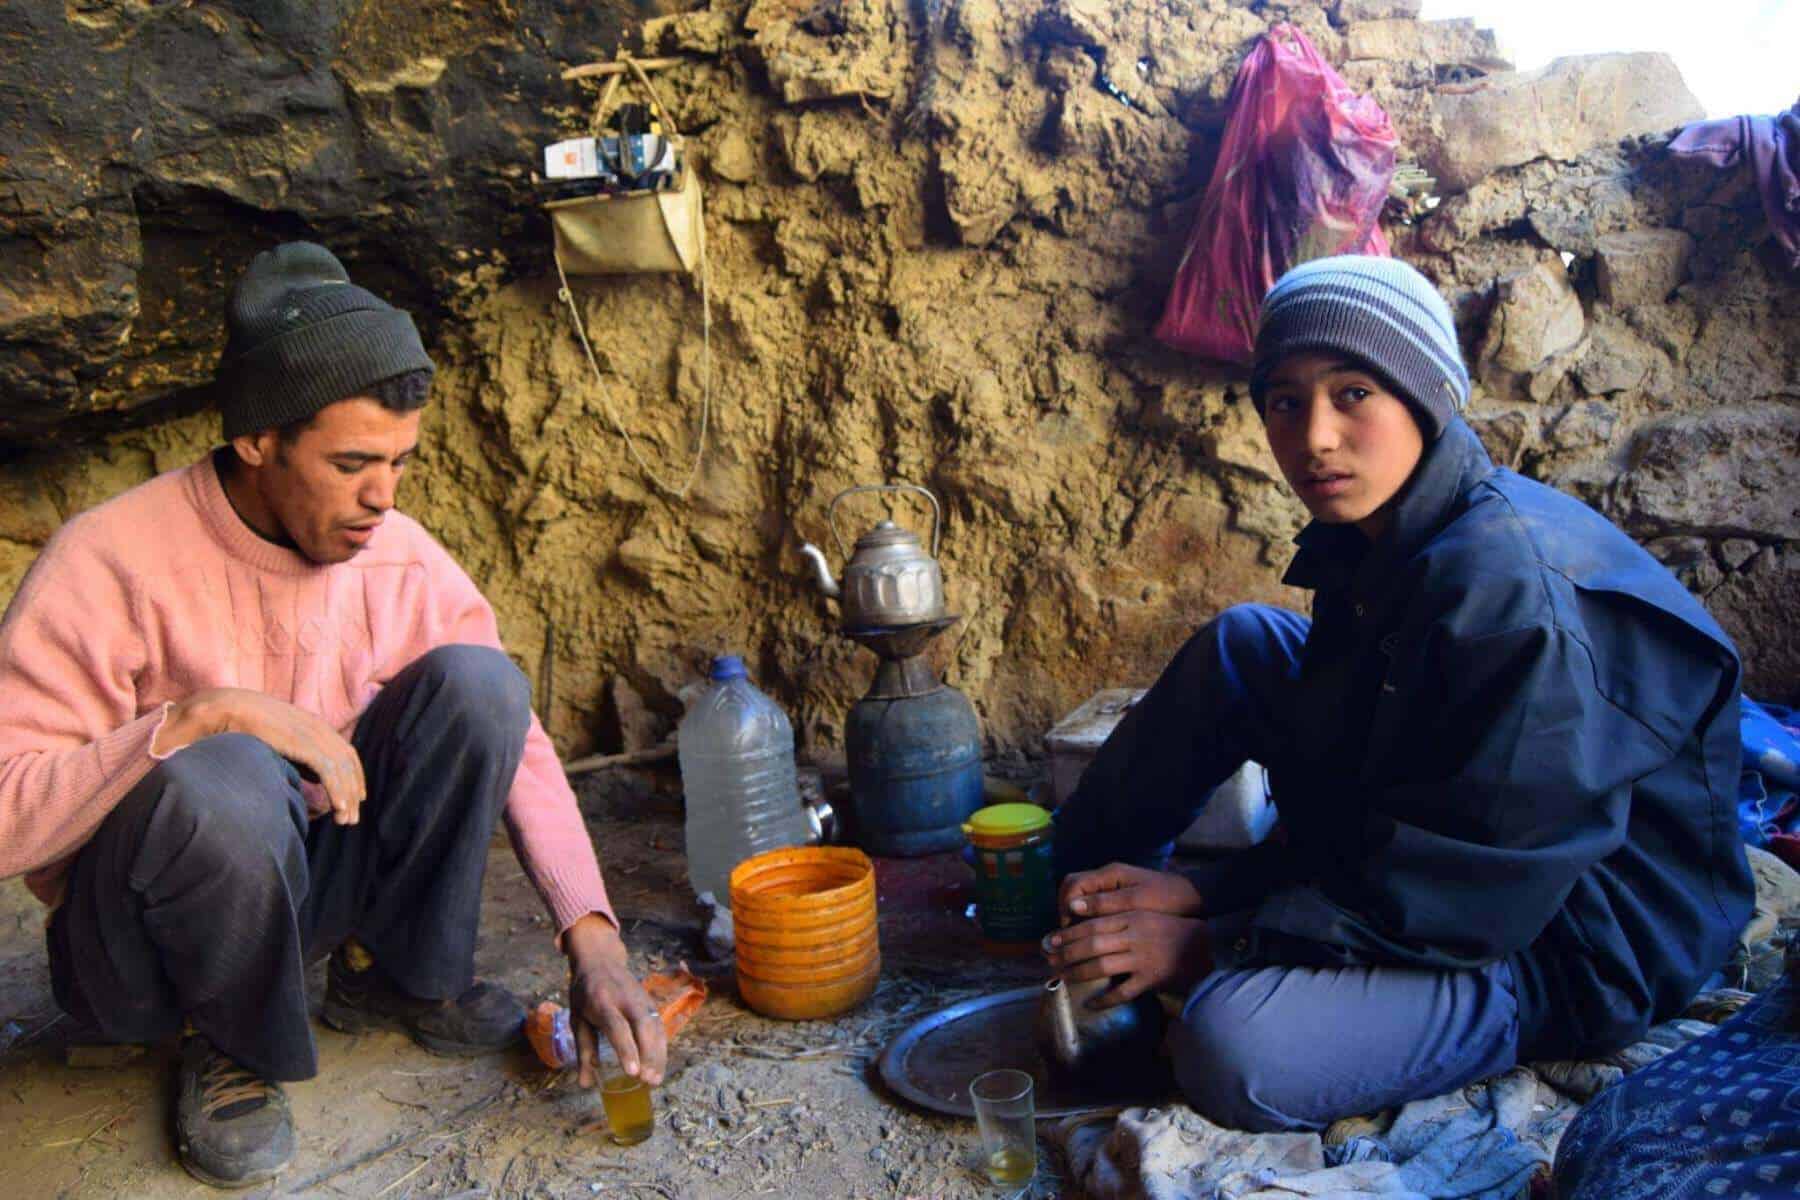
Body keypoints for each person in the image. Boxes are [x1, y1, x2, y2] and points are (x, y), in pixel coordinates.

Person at [0, 242, 666, 1188]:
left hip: (295, 889)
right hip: (136, 954)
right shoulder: (106, 560)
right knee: (221, 766)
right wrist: (197, 717)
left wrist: (591, 936)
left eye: (400, 461)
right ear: (257, 440)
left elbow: (509, 743)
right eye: (352, 462)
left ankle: (392, 975)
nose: (382, 496)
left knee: (479, 684)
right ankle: (222, 1041)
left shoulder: (393, 550)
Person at [1044, 255, 1755, 1133]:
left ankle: (1180, 949)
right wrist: (1191, 895)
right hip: (1455, 856)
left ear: (1425, 398)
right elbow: (1393, 787)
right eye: (1285, 401)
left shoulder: (1508, 596)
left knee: (1231, 1047)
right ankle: (1076, 897)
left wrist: (1211, 937)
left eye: (1353, 394)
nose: (1315, 438)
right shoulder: (1382, 536)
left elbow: (1464, 885)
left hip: (1572, 934)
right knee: (1245, 643)